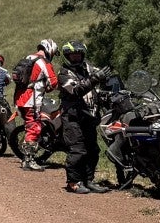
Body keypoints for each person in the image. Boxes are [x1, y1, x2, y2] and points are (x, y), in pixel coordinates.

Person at [57, 43, 108, 194]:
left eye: (78, 54)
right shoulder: (64, 73)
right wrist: (95, 79)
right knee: (77, 150)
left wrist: (107, 80)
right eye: (73, 55)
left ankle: (88, 180)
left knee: (93, 150)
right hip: (73, 117)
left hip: (90, 116)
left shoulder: (90, 69)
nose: (76, 57)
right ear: (67, 56)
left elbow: (102, 81)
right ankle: (73, 182)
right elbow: (75, 90)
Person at [16, 39, 60, 171]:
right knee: (34, 128)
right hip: (32, 99)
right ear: (50, 50)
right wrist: (49, 89)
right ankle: (28, 160)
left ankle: (27, 158)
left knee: (30, 127)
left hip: (20, 98)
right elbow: (53, 82)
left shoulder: (28, 58)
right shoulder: (43, 62)